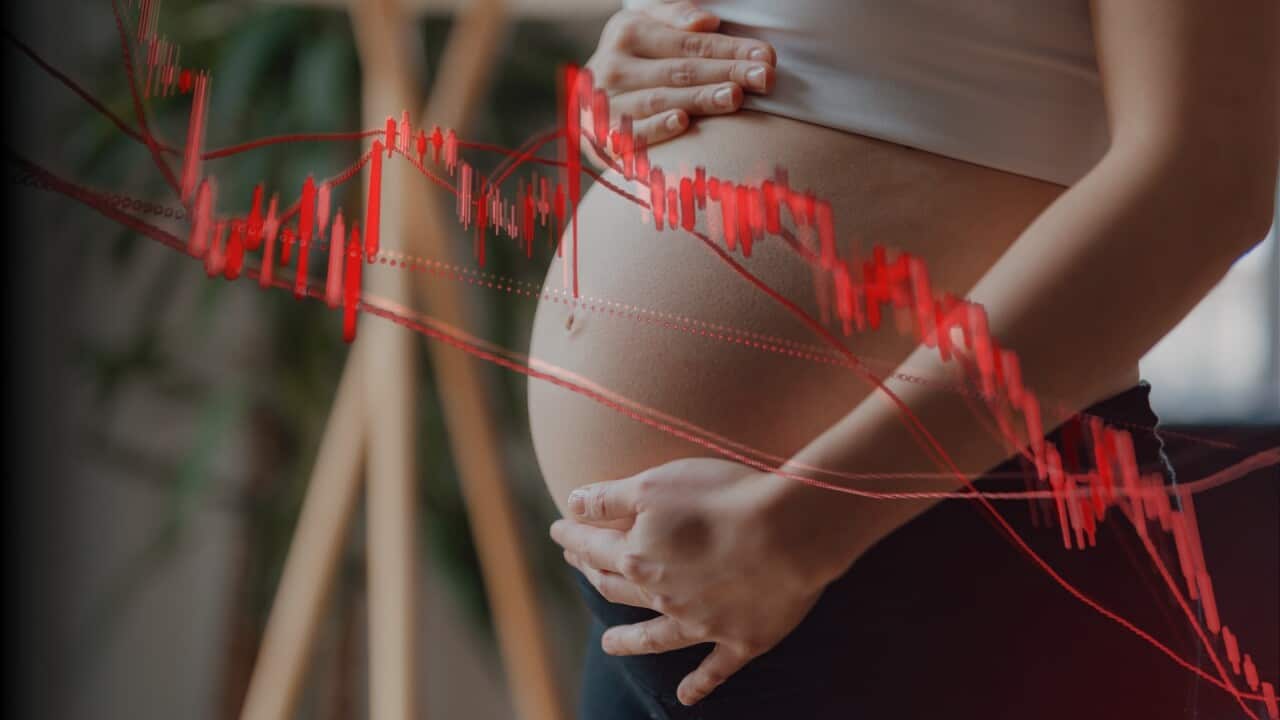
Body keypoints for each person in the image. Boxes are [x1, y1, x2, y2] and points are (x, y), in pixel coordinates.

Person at [527, 1, 1278, 717]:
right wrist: (621, 88)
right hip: (673, 595)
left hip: (926, 556)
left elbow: (1208, 175)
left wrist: (806, 526)